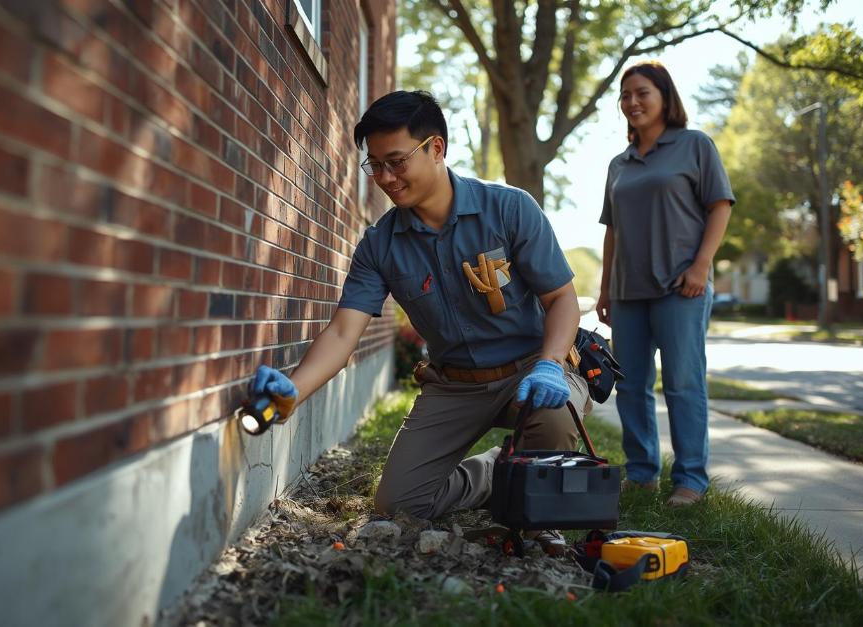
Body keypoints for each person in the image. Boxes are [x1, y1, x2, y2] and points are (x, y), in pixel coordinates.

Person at [249, 90, 590, 554]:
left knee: (555, 412)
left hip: (533, 372)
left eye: (397, 161)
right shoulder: (379, 245)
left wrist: (552, 362)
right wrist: (294, 390)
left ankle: (539, 518)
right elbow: (344, 332)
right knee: (398, 504)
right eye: (375, 166)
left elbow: (562, 299)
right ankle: (498, 471)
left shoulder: (509, 209)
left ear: (436, 148)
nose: (386, 178)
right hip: (456, 385)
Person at [595, 61, 734, 506]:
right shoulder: (619, 164)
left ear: (664, 98)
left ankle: (690, 479)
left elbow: (720, 206)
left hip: (682, 288)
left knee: (682, 383)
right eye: (625, 95)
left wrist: (701, 266)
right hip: (627, 292)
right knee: (630, 386)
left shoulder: (694, 145)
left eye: (642, 93)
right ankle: (641, 474)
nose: (632, 102)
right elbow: (611, 230)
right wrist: (604, 289)